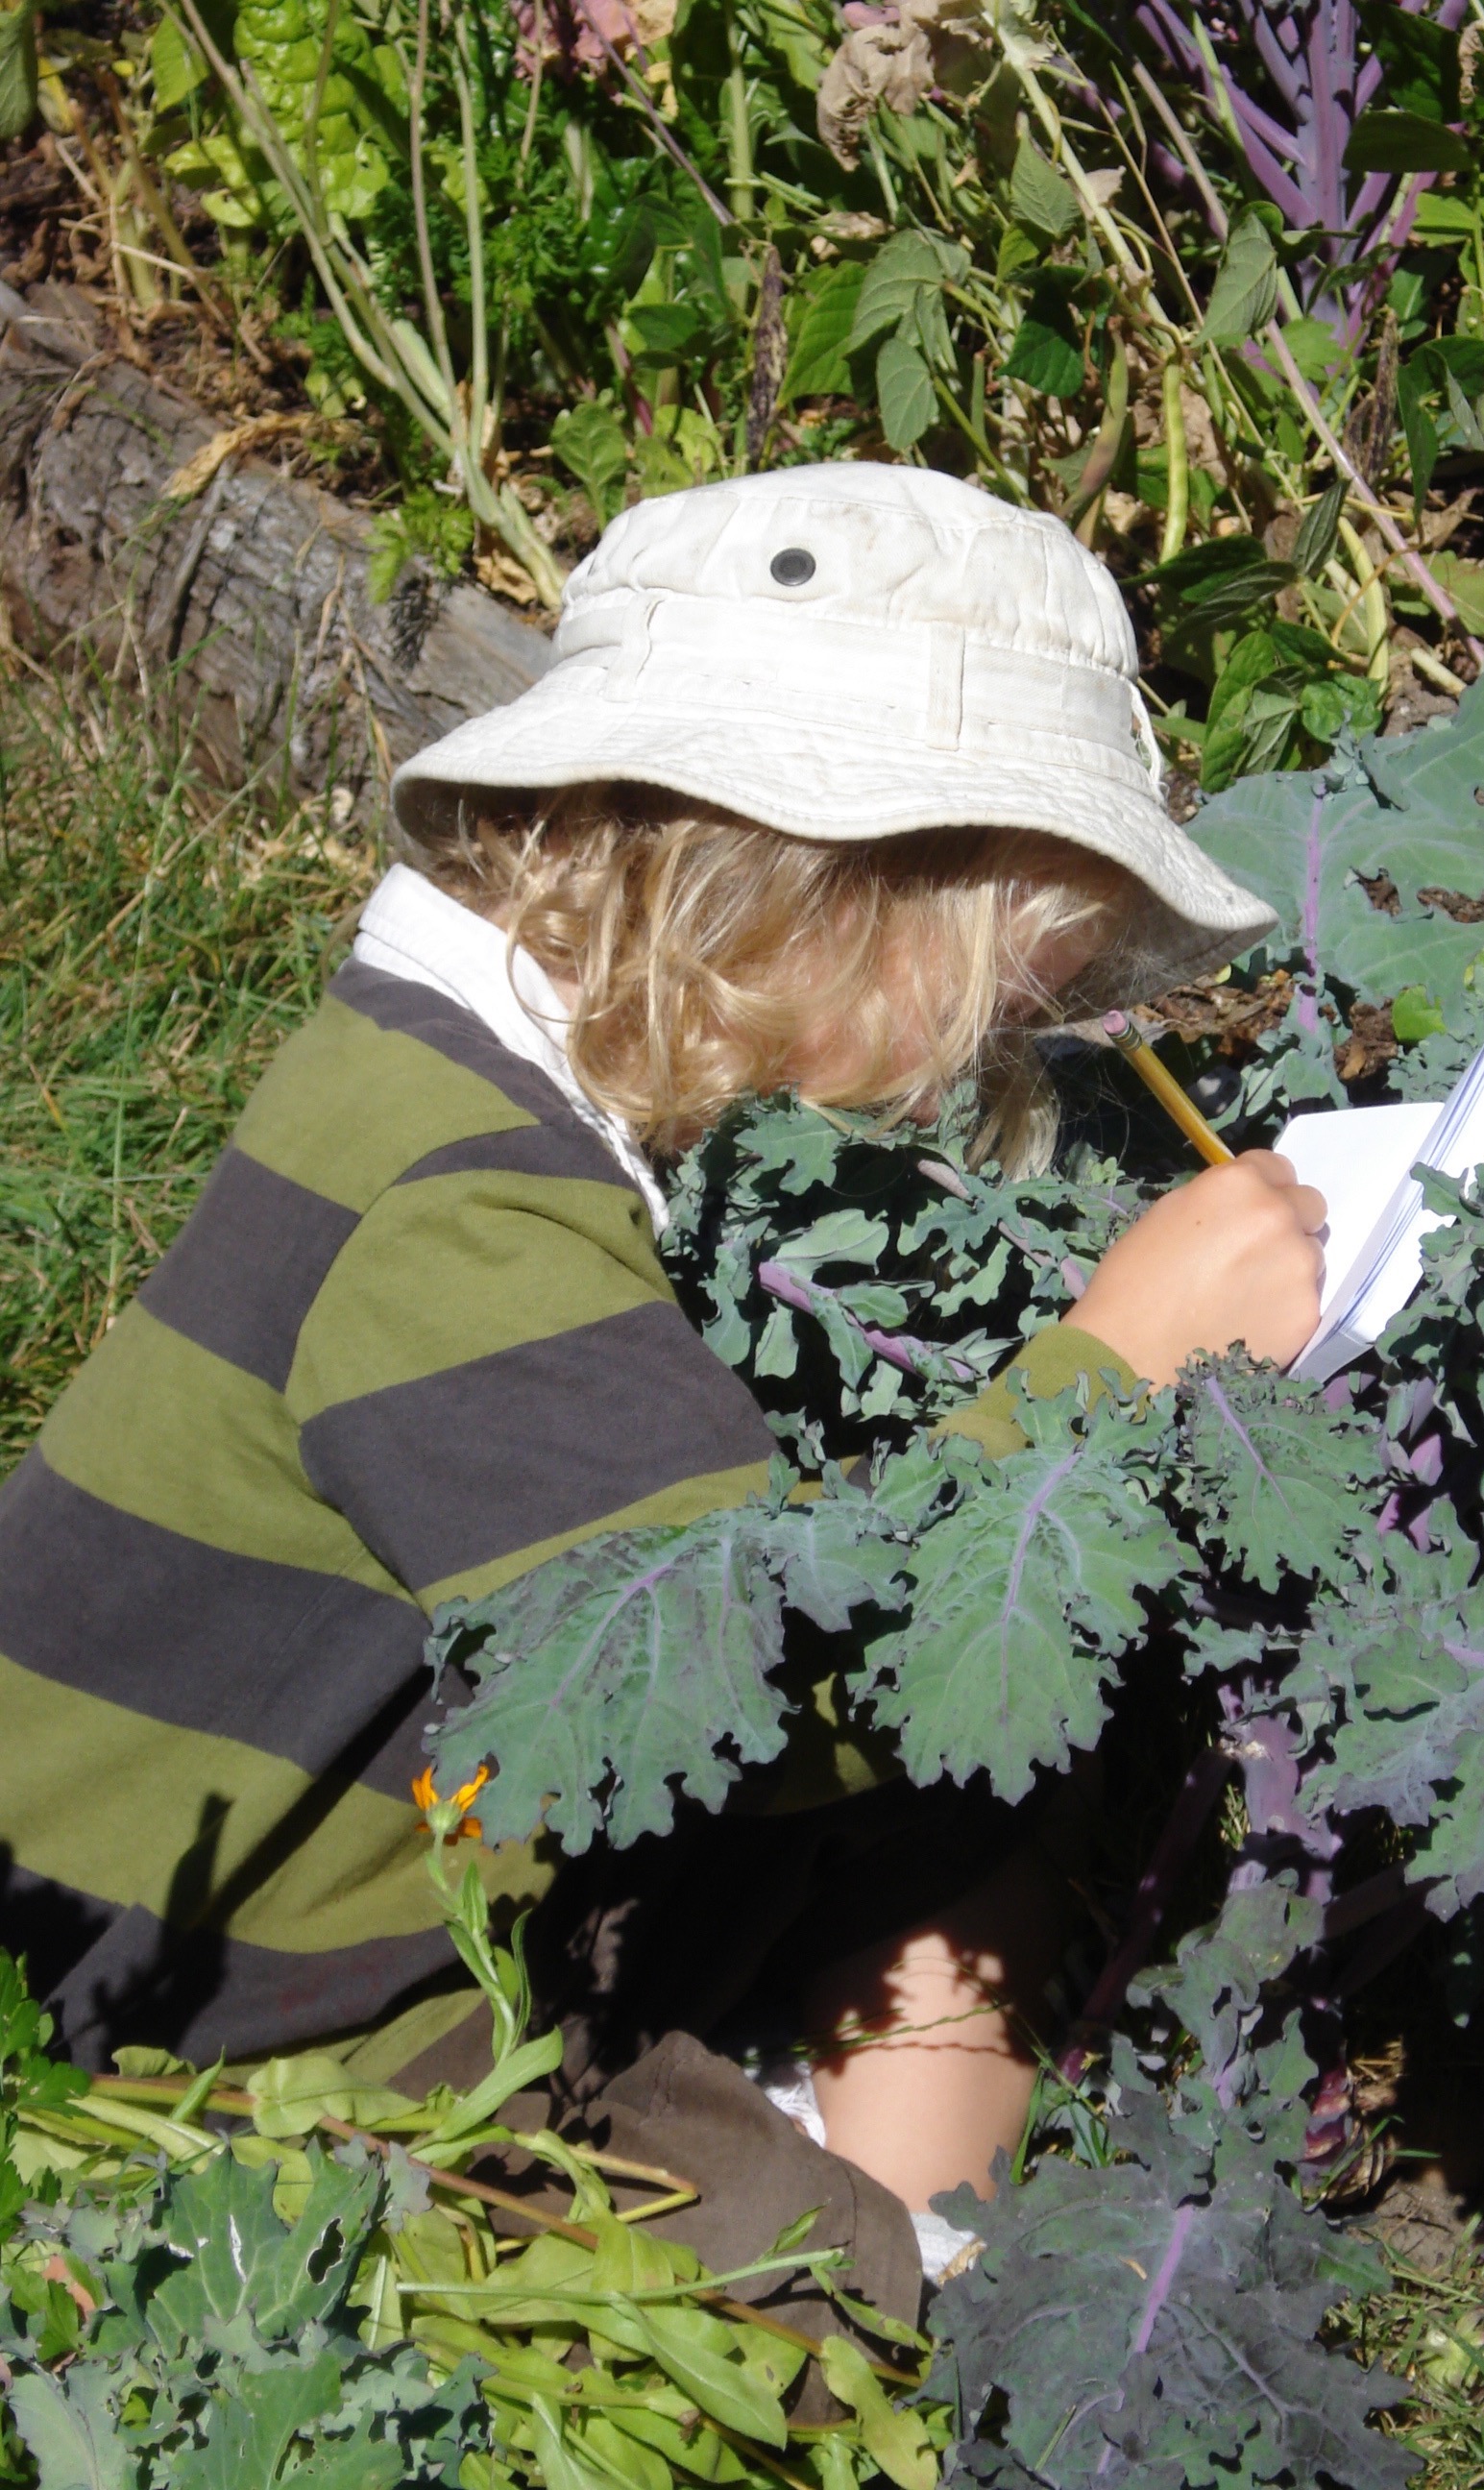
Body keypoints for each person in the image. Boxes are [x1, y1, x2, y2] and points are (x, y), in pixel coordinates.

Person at [0, 463, 1325, 2307]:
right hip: (238, 2006)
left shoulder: (433, 1071)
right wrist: (1109, 1362)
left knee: (994, 1753)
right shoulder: (470, 1218)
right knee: (822, 2316)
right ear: (838, 887)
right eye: (998, 998)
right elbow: (728, 1706)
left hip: (371, 1841)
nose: (989, 1055)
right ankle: (916, 2278)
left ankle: (847, 2142)